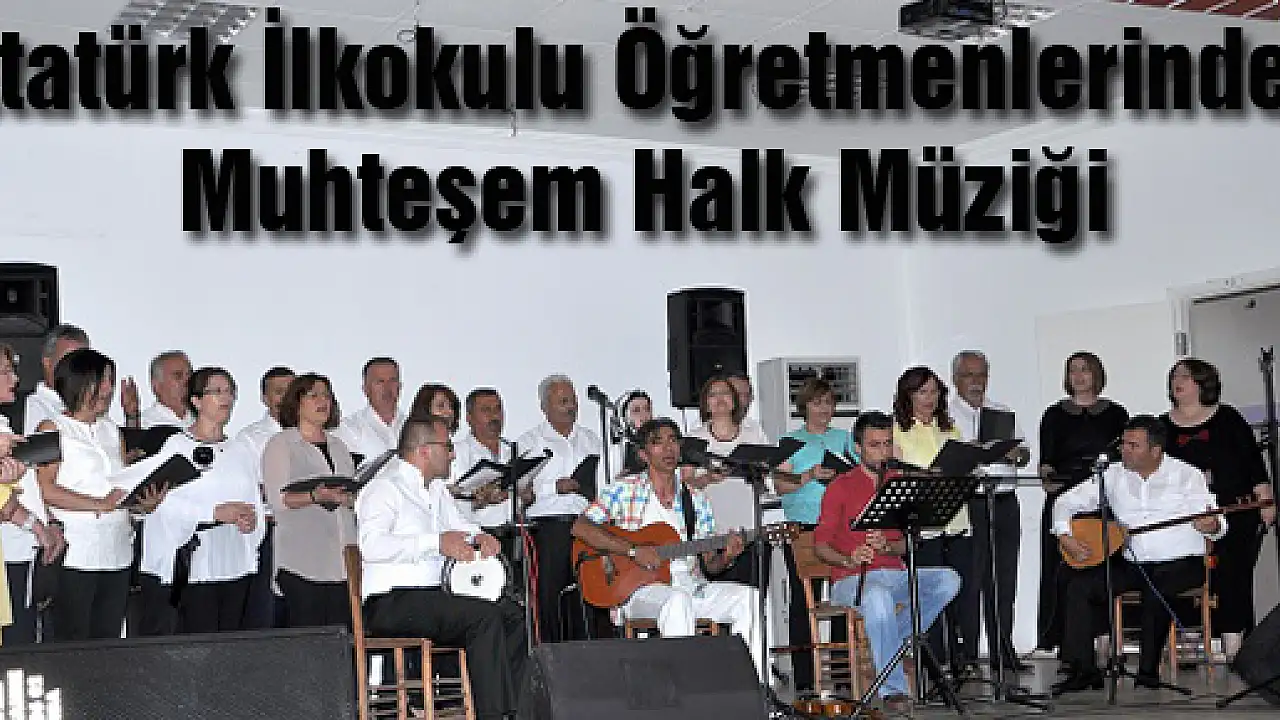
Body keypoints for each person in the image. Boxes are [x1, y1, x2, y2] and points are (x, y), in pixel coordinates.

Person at [357, 415, 526, 720]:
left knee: (512, 615)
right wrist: (434, 543)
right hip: (390, 601)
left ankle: (516, 712)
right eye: (447, 446)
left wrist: (480, 537)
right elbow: (371, 546)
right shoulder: (384, 488)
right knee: (483, 617)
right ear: (424, 450)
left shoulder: (435, 490)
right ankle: (492, 714)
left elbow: (459, 525)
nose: (453, 453)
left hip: (433, 597)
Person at [570, 417, 763, 677]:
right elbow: (580, 527)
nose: (668, 448)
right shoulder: (623, 490)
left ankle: (755, 687)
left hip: (690, 586)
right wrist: (632, 551)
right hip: (637, 591)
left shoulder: (696, 500)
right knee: (676, 601)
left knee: (749, 598)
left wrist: (727, 556)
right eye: (657, 442)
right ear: (643, 454)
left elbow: (710, 565)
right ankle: (685, 689)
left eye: (673, 440)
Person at [1050, 416, 1226, 695]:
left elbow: (1215, 521)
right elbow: (1065, 501)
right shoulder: (1113, 475)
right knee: (1079, 586)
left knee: (1157, 590)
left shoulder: (1186, 475)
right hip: (1134, 562)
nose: (1124, 450)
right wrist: (1064, 535)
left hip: (1181, 562)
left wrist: (1211, 525)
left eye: (1133, 445)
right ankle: (1083, 670)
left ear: (1155, 450)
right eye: (1124, 443)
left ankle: (1148, 672)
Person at [818, 411, 961, 714]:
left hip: (895, 574)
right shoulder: (840, 486)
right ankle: (893, 690)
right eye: (874, 445)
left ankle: (890, 643)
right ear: (857, 448)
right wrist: (848, 558)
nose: (883, 452)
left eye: (887, 444)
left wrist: (889, 546)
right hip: (851, 579)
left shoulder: (898, 484)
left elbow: (907, 544)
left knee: (949, 579)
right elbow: (820, 546)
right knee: (878, 596)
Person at [35, 348, 166, 641]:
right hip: (76, 554)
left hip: (117, 551)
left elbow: (119, 487)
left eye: (110, 380)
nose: (108, 388)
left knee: (107, 640)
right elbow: (45, 489)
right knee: (72, 640)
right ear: (79, 382)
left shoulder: (111, 431)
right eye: (102, 380)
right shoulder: (51, 428)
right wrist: (97, 504)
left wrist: (141, 505)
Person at [1160, 358, 1275, 661]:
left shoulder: (1228, 418)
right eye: (1175, 376)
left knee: (1233, 573)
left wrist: (1265, 499)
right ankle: (1189, 641)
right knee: (1182, 573)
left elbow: (1252, 462)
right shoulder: (1161, 426)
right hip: (1186, 518)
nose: (1178, 381)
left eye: (1186, 376)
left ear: (1203, 383)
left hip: (1234, 510)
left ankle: (1234, 644)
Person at [134, 367, 264, 634]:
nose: (225, 398)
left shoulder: (241, 450)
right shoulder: (176, 446)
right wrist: (213, 513)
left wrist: (250, 521)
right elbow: (163, 503)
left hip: (233, 561)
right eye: (216, 391)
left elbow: (254, 500)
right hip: (192, 566)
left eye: (229, 391)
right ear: (196, 400)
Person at [1035, 352, 1129, 657]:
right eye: (1073, 370)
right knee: (1062, 571)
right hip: (1065, 499)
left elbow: (1124, 461)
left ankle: (1105, 637)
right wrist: (1049, 480)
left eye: (1085, 370)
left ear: (1096, 375)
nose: (1078, 376)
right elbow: (1046, 462)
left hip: (1103, 500)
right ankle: (1067, 644)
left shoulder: (1117, 414)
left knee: (1102, 568)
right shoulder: (1053, 415)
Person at [775, 376, 860, 694]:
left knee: (843, 595)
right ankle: (805, 677)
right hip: (804, 528)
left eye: (829, 403)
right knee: (803, 600)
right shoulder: (790, 440)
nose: (824, 409)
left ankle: (844, 673)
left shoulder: (844, 438)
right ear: (805, 406)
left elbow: (859, 475)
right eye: (817, 403)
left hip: (840, 527)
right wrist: (810, 475)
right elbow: (780, 485)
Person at [948, 350, 1030, 672]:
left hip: (1004, 500)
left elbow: (1024, 454)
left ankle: (1002, 650)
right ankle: (967, 654)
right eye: (969, 375)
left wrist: (1015, 454)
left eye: (981, 375)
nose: (976, 382)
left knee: (1004, 579)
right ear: (956, 379)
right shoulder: (946, 416)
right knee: (971, 580)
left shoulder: (1002, 412)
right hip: (971, 502)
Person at [890, 366, 972, 669]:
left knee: (961, 591)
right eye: (922, 391)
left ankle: (961, 658)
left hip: (956, 519)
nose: (930, 398)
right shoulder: (897, 430)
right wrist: (924, 475)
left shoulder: (949, 428)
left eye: (935, 391)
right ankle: (934, 662)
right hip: (923, 524)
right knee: (930, 595)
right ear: (908, 395)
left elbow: (964, 465)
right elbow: (894, 474)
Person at [515, 374, 606, 642]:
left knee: (588, 594)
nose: (571, 406)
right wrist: (555, 487)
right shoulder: (529, 442)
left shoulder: (591, 440)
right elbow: (519, 489)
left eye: (573, 400)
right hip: (548, 526)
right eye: (563, 401)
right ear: (545, 406)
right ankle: (552, 655)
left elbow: (603, 484)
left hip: (586, 524)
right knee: (551, 598)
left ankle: (588, 654)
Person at [262, 373, 357, 628]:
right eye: (313, 395)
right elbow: (278, 500)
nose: (322, 401)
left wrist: (350, 498)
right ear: (297, 402)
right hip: (301, 562)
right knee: (309, 637)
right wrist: (315, 496)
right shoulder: (282, 444)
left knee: (341, 637)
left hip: (342, 562)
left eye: (326, 395)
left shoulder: (339, 446)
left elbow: (350, 494)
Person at [234, 365, 295, 629]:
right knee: (268, 613)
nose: (286, 398)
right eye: (279, 392)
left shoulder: (314, 434)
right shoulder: (250, 438)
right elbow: (244, 488)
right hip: (270, 530)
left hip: (307, 532)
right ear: (264, 398)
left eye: (292, 391)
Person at [335, 357, 406, 463]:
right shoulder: (348, 429)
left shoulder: (413, 426)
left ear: (400, 386)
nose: (387, 388)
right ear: (365, 389)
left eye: (392, 381)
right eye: (380, 382)